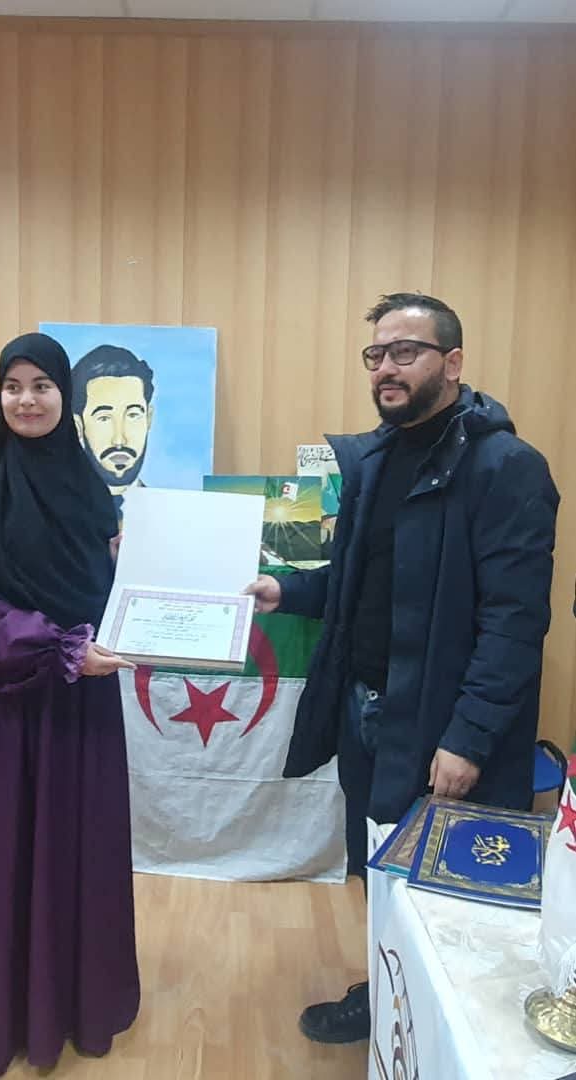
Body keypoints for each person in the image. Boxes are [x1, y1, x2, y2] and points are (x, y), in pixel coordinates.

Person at [247, 293, 558, 1044]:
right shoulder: (376, 460)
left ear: (452, 363)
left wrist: (469, 737)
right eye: (376, 354)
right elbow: (360, 579)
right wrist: (288, 591)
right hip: (367, 709)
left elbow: (514, 621)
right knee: (378, 862)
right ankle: (387, 995)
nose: (386, 367)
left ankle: (443, 1036)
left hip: (443, 723)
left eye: (405, 352)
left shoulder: (505, 468)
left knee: (449, 893)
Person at [0, 332, 140, 1079]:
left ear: (63, 396)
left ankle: (73, 1005)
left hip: (76, 700)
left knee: (74, 852)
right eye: (12, 385)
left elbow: (107, 592)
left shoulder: (91, 490)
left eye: (41, 385)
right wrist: (60, 650)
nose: (25, 399)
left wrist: (128, 567)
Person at [71, 344, 154, 514]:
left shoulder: (169, 515)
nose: (119, 440)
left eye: (133, 415)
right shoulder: (57, 510)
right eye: (104, 418)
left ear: (148, 419)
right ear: (78, 425)